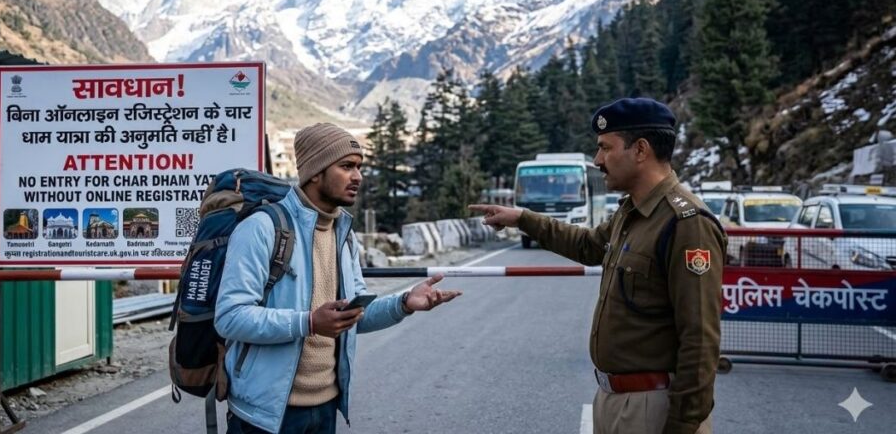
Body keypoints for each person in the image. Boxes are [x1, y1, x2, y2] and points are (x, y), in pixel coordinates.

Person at [470, 98, 726, 434]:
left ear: (640, 150)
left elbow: (700, 338)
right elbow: (589, 246)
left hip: (653, 406)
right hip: (614, 400)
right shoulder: (631, 211)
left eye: (605, 148)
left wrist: (683, 424)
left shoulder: (686, 223)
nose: (597, 160)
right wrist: (522, 219)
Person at [216, 122, 461, 434]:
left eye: (359, 167)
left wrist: (403, 303)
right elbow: (230, 317)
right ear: (315, 171)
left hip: (326, 408)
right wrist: (308, 322)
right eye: (346, 167)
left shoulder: (342, 232)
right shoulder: (262, 229)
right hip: (264, 416)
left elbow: (352, 316)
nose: (357, 177)